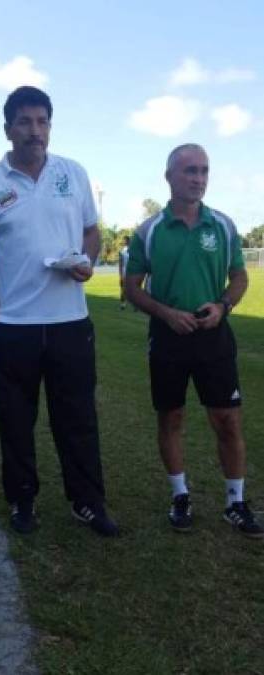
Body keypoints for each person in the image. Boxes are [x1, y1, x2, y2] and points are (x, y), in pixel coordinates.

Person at [0, 86, 119, 537]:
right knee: (15, 421)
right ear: (8, 129)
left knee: (77, 418)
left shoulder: (72, 173)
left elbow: (92, 233)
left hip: (71, 323)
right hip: (15, 327)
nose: (35, 131)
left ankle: (87, 502)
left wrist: (85, 258)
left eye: (42, 122)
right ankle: (22, 502)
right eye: (25, 122)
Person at [125, 143, 264, 538]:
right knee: (171, 417)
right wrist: (167, 314)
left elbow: (239, 277)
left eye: (204, 171)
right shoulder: (149, 231)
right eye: (189, 171)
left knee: (228, 420)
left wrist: (223, 306)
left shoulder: (222, 225)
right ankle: (180, 496)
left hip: (213, 336)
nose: (198, 178)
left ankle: (235, 502)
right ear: (169, 176)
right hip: (167, 338)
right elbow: (131, 287)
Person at [118, 235, 130, 309]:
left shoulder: (133, 250)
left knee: (134, 288)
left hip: (131, 272)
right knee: (123, 289)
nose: (125, 242)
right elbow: (120, 263)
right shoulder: (122, 251)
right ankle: (123, 304)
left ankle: (136, 305)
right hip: (124, 272)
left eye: (126, 240)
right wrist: (120, 275)